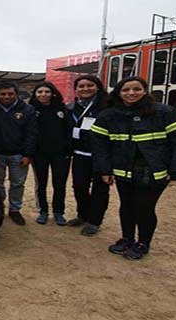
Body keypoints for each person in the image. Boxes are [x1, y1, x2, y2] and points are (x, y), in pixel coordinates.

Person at [91, 76, 176, 260]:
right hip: (123, 171)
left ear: (145, 91)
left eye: (136, 89)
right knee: (126, 206)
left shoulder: (164, 113)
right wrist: (104, 170)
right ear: (119, 93)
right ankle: (127, 239)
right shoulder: (108, 115)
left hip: (153, 171)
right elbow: (100, 145)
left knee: (144, 208)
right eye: (126, 90)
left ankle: (143, 243)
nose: (131, 93)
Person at [66, 75, 110, 236]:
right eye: (81, 86)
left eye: (89, 85)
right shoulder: (72, 107)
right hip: (80, 154)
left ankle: (95, 221)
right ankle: (82, 215)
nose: (85, 89)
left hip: (100, 155)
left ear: (98, 87)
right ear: (76, 90)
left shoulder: (107, 106)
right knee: (79, 187)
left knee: (100, 189)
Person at [0, 82, 37, 226]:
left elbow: (32, 134)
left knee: (17, 184)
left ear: (16, 94)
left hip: (19, 155)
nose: (7, 96)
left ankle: (15, 210)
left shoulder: (27, 109)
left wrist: (28, 154)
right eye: (3, 94)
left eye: (10, 94)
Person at [28, 81, 72, 225]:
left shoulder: (62, 110)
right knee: (41, 183)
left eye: (46, 91)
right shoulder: (30, 110)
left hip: (60, 154)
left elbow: (68, 131)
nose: (43, 94)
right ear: (35, 94)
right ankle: (43, 211)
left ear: (52, 93)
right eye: (40, 92)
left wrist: (67, 149)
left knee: (59, 183)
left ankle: (59, 212)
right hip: (40, 154)